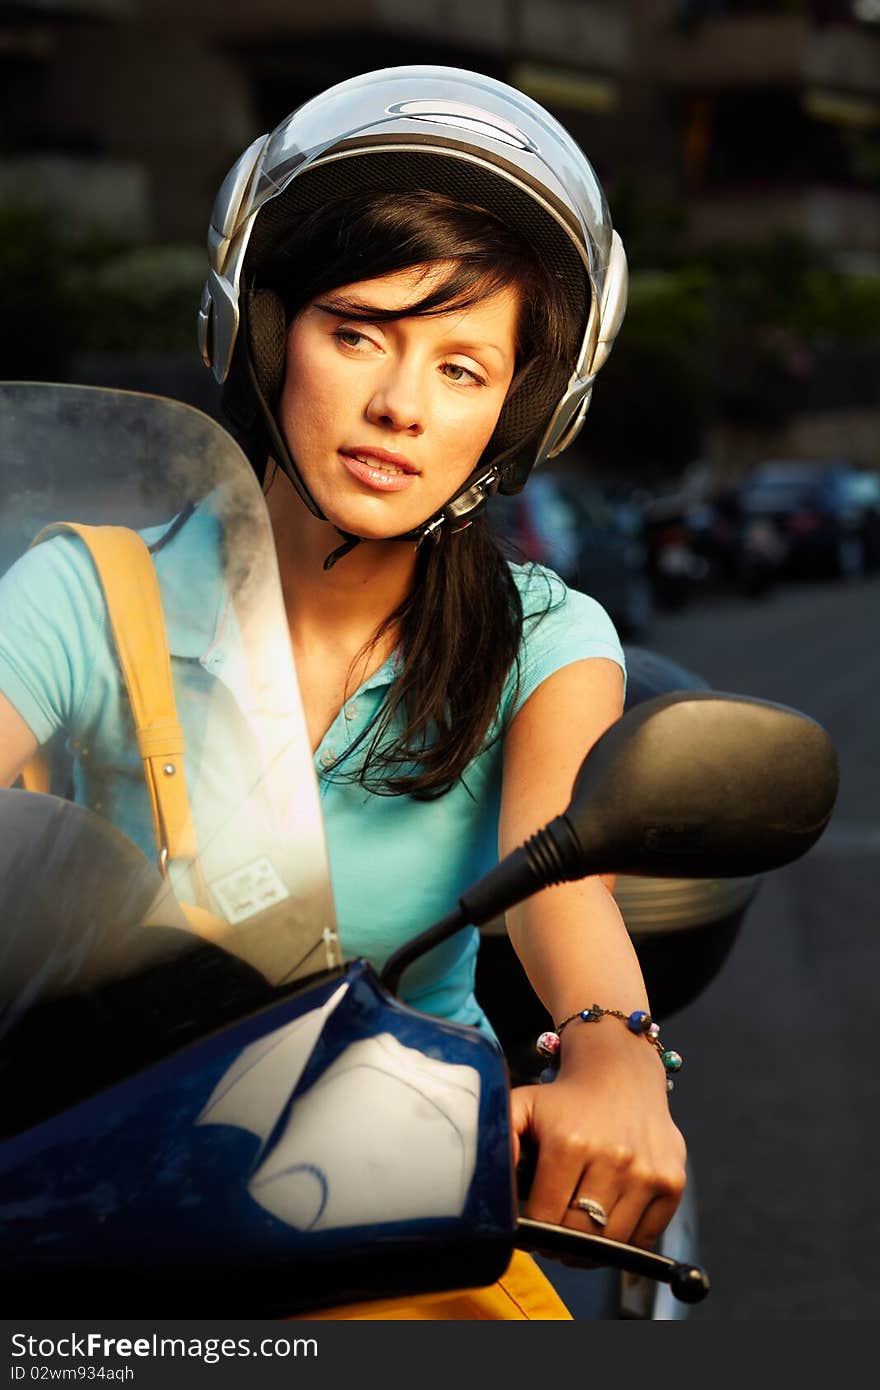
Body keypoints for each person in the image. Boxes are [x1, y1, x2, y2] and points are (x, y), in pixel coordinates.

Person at [0, 66, 685, 1316]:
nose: (398, 406)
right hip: (84, 1201)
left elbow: (559, 870)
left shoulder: (543, 635)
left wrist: (611, 1056)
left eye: (464, 369)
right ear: (263, 332)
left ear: (517, 412)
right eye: (356, 329)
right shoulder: (83, 596)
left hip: (398, 1209)